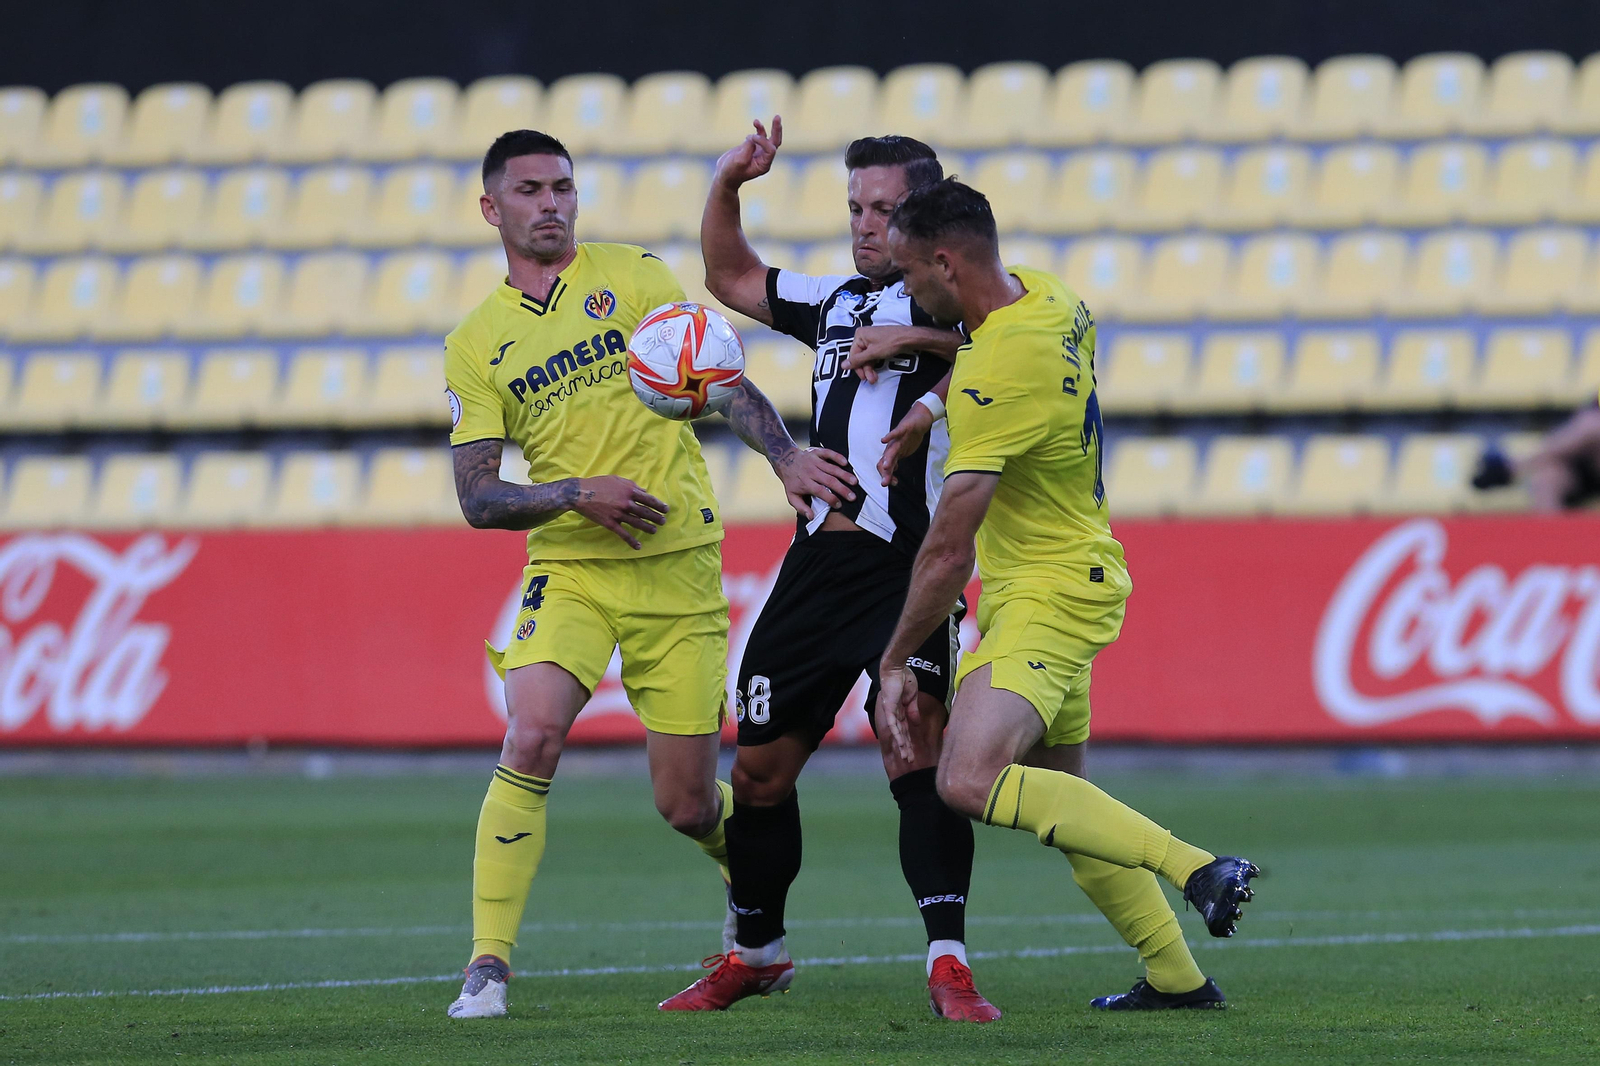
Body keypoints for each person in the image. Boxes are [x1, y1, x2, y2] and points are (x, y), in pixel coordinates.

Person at [443, 129, 855, 1019]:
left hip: (677, 569)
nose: (550, 203)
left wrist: (784, 458)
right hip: (570, 567)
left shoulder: (633, 277)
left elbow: (724, 383)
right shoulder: (476, 344)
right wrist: (573, 493)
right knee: (532, 736)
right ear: (492, 209)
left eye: (562, 186)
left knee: (684, 804)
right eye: (529, 190)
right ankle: (487, 964)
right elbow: (477, 497)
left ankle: (755, 918)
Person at [875, 178, 1260, 1012]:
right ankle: (1177, 979)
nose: (907, 292)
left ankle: (1197, 866)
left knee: (967, 779)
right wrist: (932, 398)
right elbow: (986, 350)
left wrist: (897, 657)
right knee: (1069, 804)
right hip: (1077, 568)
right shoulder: (1051, 296)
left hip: (1044, 593)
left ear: (946, 262)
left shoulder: (996, 376)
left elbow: (947, 550)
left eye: (911, 274)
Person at [658, 121, 1002, 1022]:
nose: (864, 226)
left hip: (908, 566)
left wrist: (925, 350)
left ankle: (949, 961)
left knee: (909, 739)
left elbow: (1033, 357)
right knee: (762, 774)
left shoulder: (968, 304)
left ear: (926, 220)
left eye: (883, 210)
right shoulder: (838, 297)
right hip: (817, 565)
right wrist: (729, 183)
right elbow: (730, 277)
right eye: (854, 208)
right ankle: (757, 953)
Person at [1471, 399, 1600, 511]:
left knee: (1591, 426)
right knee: (1546, 478)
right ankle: (1554, 536)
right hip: (1587, 467)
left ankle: (1510, 468)